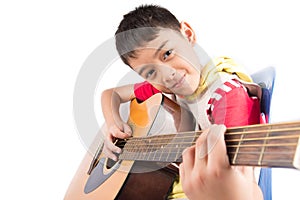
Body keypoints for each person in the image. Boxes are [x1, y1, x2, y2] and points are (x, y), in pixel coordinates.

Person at [101, 4, 264, 200]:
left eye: (167, 54)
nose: (168, 74)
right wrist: (112, 123)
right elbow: (110, 94)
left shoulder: (226, 96)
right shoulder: (166, 85)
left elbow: (247, 188)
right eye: (151, 72)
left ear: (187, 34)